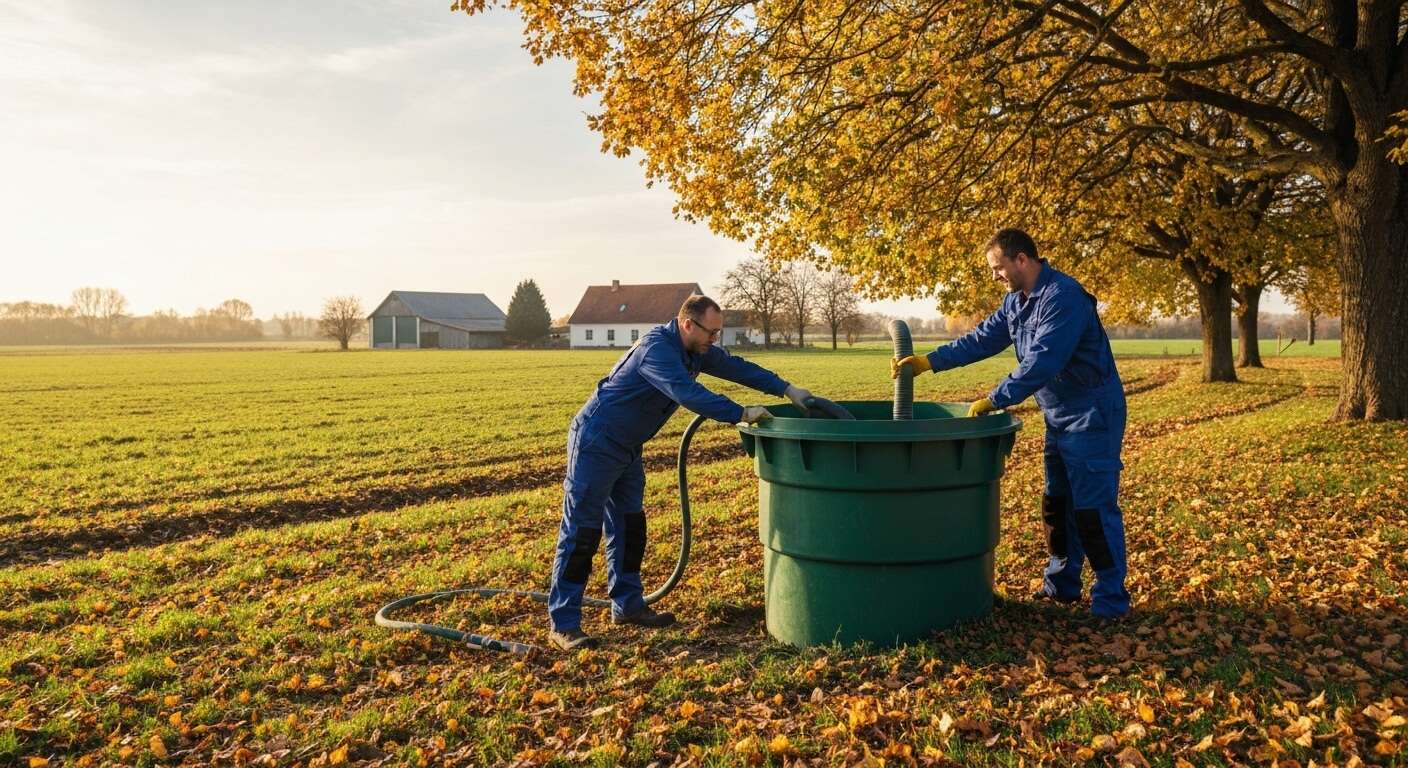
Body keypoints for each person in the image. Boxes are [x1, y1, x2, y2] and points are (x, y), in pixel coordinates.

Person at [548, 294, 819, 650]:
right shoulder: (656, 349)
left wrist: (786, 389)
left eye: (718, 333)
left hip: (628, 447)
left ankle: (627, 605)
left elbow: (737, 367)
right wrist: (740, 412)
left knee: (630, 527)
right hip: (597, 442)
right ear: (688, 324)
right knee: (583, 531)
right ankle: (564, 623)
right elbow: (686, 392)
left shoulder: (696, 349)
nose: (715, 340)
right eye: (711, 332)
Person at [892, 228, 1130, 619]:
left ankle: (1110, 602)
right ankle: (1062, 586)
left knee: (1092, 509)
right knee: (1057, 504)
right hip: (1058, 415)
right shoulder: (1016, 302)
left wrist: (996, 398)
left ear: (1022, 260)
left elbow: (1044, 360)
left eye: (998, 268)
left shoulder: (1062, 298)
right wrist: (929, 362)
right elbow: (982, 339)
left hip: (1092, 416)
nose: (995, 276)